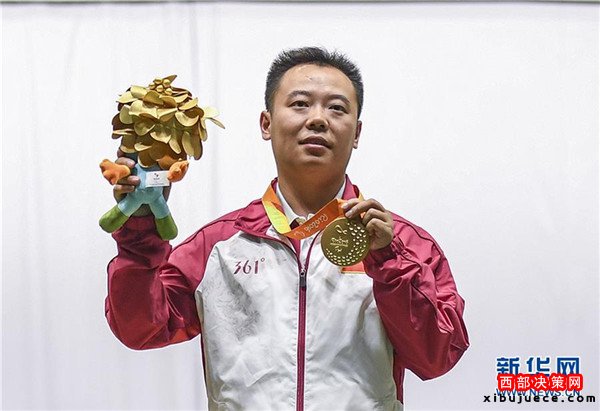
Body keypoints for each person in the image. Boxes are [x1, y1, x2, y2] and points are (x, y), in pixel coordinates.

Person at [105, 46, 469, 410]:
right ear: (266, 124)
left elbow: (437, 357)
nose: (318, 119)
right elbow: (141, 328)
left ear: (357, 132)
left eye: (336, 108)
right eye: (300, 104)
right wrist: (141, 227)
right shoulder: (218, 246)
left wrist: (388, 261)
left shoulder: (401, 244)